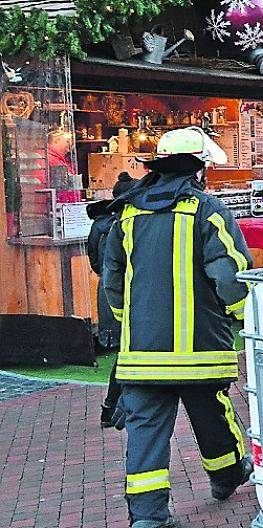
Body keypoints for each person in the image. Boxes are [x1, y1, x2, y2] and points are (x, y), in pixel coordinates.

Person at [102, 127, 254, 528]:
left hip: (141, 355)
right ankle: (226, 477)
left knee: (145, 434)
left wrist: (126, 325)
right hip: (200, 350)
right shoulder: (207, 211)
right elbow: (231, 278)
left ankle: (150, 518)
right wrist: (244, 319)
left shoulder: (127, 213)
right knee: (213, 417)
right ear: (198, 169)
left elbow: (112, 281)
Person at [88, 172, 137, 428]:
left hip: (109, 295)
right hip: (125, 296)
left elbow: (96, 263)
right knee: (127, 353)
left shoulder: (100, 224)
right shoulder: (126, 224)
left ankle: (112, 408)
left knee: (124, 352)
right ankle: (114, 408)